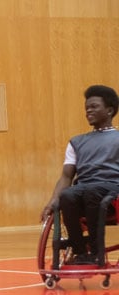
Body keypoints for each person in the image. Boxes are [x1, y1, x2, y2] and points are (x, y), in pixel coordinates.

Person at [41, 85, 119, 265]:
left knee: (91, 192)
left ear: (109, 110)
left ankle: (96, 251)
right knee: (67, 195)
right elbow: (67, 176)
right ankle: (80, 252)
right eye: (86, 108)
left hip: (113, 189)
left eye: (93, 107)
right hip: (84, 190)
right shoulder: (77, 142)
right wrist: (53, 199)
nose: (88, 111)